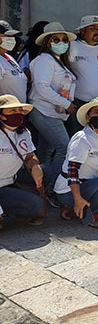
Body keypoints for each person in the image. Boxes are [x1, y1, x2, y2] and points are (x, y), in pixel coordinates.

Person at [54, 97, 98, 227]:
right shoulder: (82, 138)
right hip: (69, 189)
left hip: (91, 185)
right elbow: (72, 170)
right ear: (88, 116)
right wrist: (77, 198)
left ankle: (74, 209)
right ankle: (91, 213)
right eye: (95, 112)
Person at [28, 22, 78, 186]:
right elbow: (41, 87)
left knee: (46, 152)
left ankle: (40, 187)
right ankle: (53, 187)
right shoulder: (45, 60)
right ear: (47, 42)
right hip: (44, 111)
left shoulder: (58, 61)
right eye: (56, 39)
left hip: (53, 113)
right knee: (65, 148)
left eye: (64, 39)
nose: (61, 43)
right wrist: (66, 103)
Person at [0, 95, 45, 226]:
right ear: (1, 114)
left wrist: (35, 165)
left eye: (20, 110)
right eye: (12, 111)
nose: (18, 114)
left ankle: (10, 211)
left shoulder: (24, 132)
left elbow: (29, 156)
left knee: (46, 171)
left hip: (11, 181)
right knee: (33, 203)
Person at [67, 15, 98, 133]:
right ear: (82, 30)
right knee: (76, 137)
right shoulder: (71, 46)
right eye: (93, 28)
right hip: (78, 103)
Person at [0, 21, 27, 102]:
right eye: (7, 36)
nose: (11, 39)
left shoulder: (9, 57)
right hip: (5, 111)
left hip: (17, 110)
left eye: (12, 36)